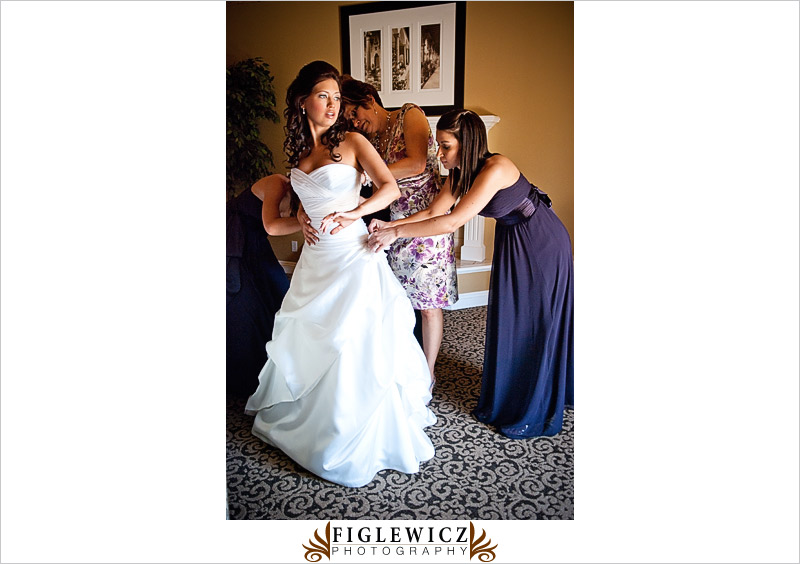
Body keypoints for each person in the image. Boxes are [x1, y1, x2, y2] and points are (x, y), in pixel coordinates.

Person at [244, 61, 435, 487]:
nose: (333, 105)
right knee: (311, 337)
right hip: (316, 262)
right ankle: (308, 423)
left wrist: (356, 212)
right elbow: (295, 212)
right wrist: (301, 219)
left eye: (336, 97)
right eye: (323, 96)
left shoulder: (352, 141)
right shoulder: (298, 155)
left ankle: (349, 430)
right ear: (302, 101)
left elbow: (389, 188)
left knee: (352, 340)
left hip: (352, 256)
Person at [340, 108, 574, 439]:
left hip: (540, 242)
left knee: (537, 320)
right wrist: (391, 225)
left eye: (446, 146)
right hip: (513, 239)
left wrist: (396, 234)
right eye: (439, 145)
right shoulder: (461, 172)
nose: (439, 154)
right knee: (516, 317)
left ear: (469, 143)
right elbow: (434, 210)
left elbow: (450, 222)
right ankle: (513, 393)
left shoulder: (496, 168)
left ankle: (536, 400)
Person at [338, 76, 459, 389]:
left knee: (428, 305)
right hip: (393, 224)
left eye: (354, 113)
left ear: (369, 99)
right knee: (396, 299)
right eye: (349, 119)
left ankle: (428, 373)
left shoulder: (409, 114)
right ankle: (401, 365)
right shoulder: (370, 140)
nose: (354, 122)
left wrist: (370, 174)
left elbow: (416, 163)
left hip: (427, 223)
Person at [226, 184, 291, 397]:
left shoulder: (297, 197)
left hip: (255, 244)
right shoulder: (277, 183)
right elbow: (272, 226)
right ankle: (248, 377)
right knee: (247, 305)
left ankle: (274, 367)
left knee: (280, 294)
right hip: (237, 242)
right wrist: (309, 222)